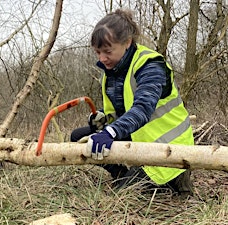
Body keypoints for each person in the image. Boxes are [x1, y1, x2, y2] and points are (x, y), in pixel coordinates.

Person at [71, 9, 194, 196]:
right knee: (77, 137)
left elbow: (142, 110)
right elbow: (120, 110)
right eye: (98, 52)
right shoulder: (112, 70)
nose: (102, 59)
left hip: (169, 150)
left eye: (107, 51)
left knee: (123, 197)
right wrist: (103, 119)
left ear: (127, 42)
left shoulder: (150, 65)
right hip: (139, 138)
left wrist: (110, 132)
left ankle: (172, 184)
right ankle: (123, 174)